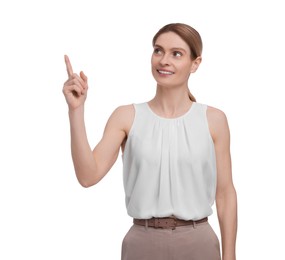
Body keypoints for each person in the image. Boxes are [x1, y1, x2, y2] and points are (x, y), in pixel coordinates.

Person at [62, 23, 237, 260]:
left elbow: (225, 195)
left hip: (199, 244)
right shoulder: (126, 116)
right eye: (158, 50)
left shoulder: (214, 120)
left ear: (195, 64)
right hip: (141, 244)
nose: (164, 60)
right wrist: (76, 111)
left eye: (176, 53)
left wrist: (230, 257)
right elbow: (87, 176)